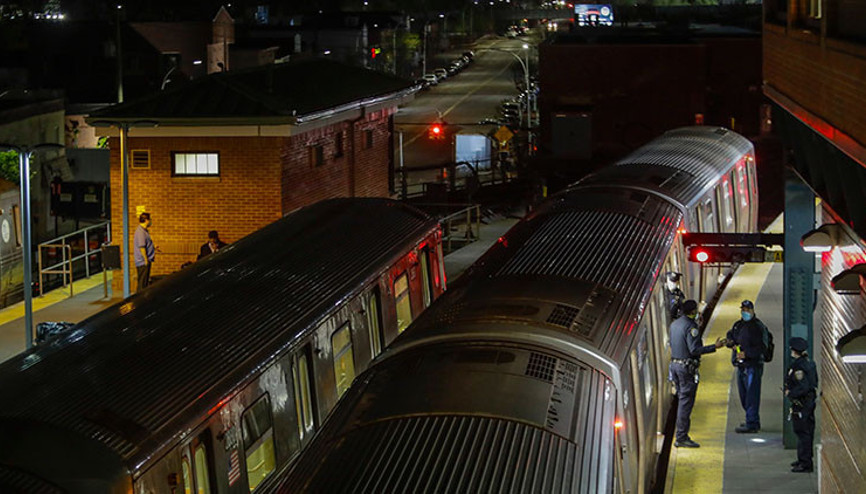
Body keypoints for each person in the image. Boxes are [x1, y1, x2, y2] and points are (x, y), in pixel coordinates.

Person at [669, 299, 726, 448]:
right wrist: (715, 346)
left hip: (675, 366)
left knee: (682, 399)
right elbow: (694, 350)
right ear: (693, 312)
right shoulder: (690, 327)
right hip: (686, 369)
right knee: (685, 403)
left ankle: (681, 435)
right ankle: (681, 437)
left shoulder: (674, 324)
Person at [725, 300, 769, 433]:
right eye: (743, 310)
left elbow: (762, 348)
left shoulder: (758, 327)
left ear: (752, 310)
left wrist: (746, 354)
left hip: (753, 366)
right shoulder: (738, 325)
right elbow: (731, 335)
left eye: (747, 310)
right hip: (741, 366)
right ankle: (751, 419)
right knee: (744, 395)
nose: (745, 312)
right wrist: (730, 342)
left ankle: (752, 423)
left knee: (751, 395)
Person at [785, 337, 818, 473]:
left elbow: (803, 386)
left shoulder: (799, 366)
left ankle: (805, 463)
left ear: (794, 351)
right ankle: (803, 459)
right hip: (808, 402)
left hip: (802, 404)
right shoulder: (809, 363)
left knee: (803, 432)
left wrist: (790, 393)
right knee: (805, 432)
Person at [134, 212, 155, 292]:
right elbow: (142, 247)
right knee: (142, 283)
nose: (151, 221)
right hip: (143, 262)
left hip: (145, 260)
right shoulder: (141, 232)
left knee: (144, 282)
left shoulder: (144, 231)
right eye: (150, 219)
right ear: (146, 220)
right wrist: (145, 259)